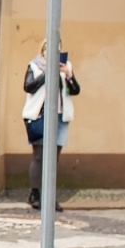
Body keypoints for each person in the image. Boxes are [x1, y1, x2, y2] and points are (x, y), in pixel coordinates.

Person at [23, 41, 80, 212]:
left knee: (53, 158)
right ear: (43, 49)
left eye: (57, 47)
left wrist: (68, 75)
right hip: (40, 115)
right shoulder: (35, 65)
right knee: (39, 156)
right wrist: (48, 72)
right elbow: (28, 87)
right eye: (50, 48)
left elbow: (75, 90)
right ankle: (35, 194)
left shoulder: (66, 65)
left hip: (61, 116)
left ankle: (50, 197)